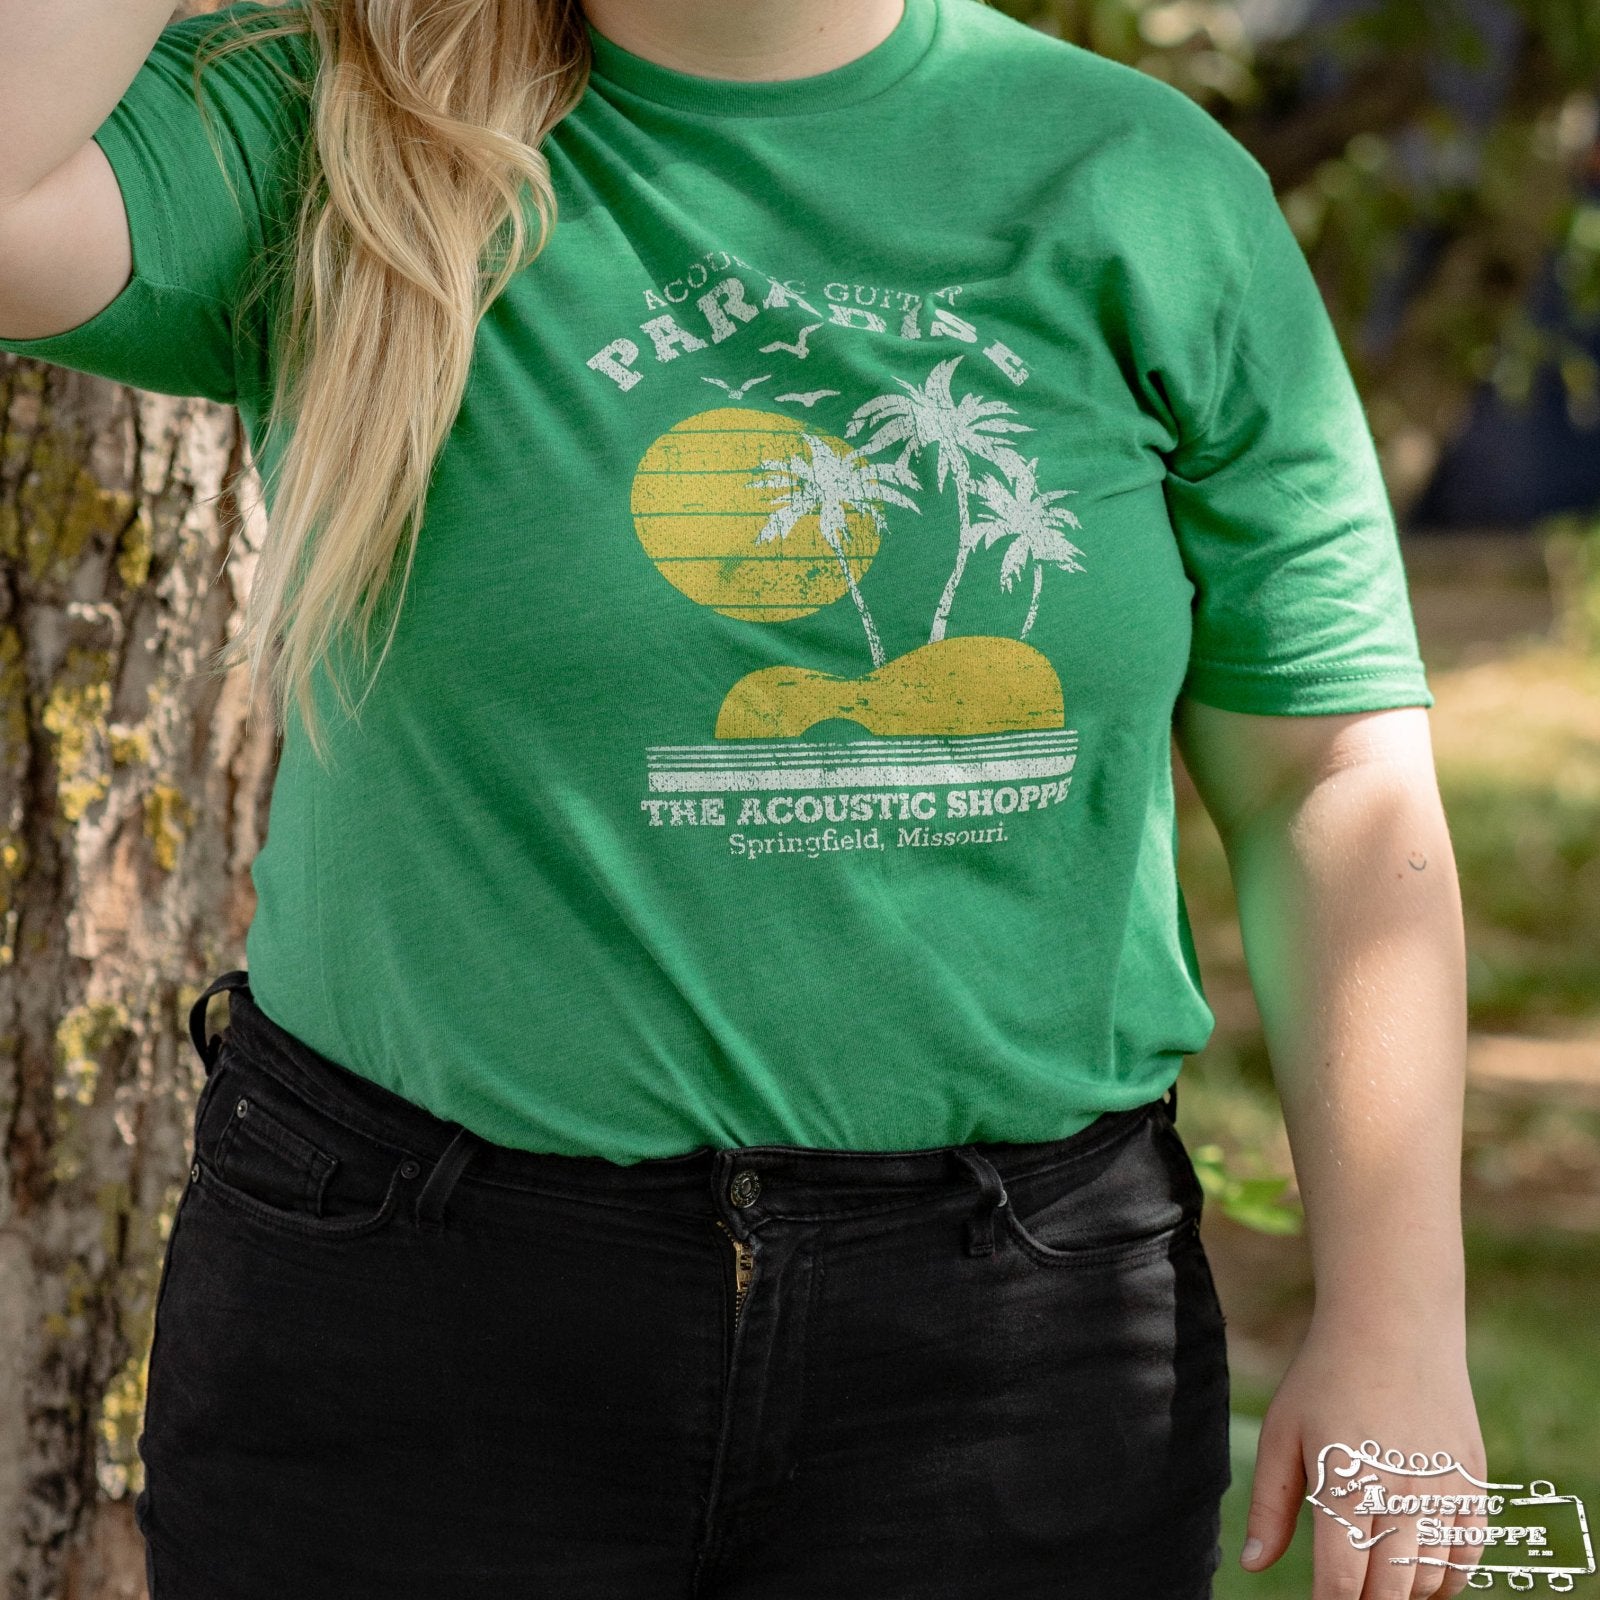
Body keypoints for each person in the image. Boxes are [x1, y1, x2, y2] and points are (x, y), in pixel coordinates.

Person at [0, 1, 1487, 1596]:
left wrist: (1399, 1331)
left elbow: (1332, 778)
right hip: (419, 1322)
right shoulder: (329, 129)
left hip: (1014, 1344)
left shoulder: (1139, 181)